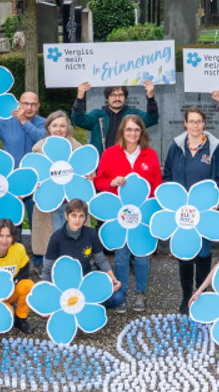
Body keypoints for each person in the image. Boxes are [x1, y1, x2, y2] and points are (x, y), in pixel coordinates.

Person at [163, 106, 219, 314]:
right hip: (182, 215)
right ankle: (185, 297)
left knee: (203, 255)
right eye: (191, 121)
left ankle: (200, 297)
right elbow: (167, 177)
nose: (195, 125)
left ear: (204, 124)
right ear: (185, 123)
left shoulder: (214, 148)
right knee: (184, 256)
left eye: (199, 121)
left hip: (204, 214)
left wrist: (217, 201)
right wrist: (171, 202)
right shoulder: (176, 147)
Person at [93, 114, 162, 314]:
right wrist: (111, 183)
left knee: (141, 257)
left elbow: (157, 185)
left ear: (142, 132)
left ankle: (141, 292)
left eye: (136, 129)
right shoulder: (110, 154)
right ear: (122, 131)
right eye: (129, 129)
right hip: (119, 217)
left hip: (142, 218)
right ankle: (121, 293)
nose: (132, 133)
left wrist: (155, 213)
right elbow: (99, 181)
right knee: (121, 257)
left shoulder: (150, 155)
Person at [42, 199, 123, 308]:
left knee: (118, 297)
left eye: (81, 216)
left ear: (85, 218)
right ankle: (81, 306)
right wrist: (48, 295)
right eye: (73, 215)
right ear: (66, 216)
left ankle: (87, 306)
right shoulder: (56, 237)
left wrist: (113, 279)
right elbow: (47, 269)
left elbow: (101, 260)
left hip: (86, 280)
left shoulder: (91, 234)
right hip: (65, 285)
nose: (77, 220)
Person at [31, 110, 81, 264]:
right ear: (48, 128)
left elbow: (87, 170)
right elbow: (32, 175)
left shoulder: (78, 149)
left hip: (72, 206)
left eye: (62, 126)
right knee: (50, 244)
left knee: (74, 244)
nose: (58, 129)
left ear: (68, 128)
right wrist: (35, 183)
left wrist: (88, 176)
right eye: (55, 125)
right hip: (49, 207)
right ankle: (50, 279)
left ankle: (74, 277)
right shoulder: (39, 149)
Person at [72, 81, 158, 155]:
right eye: (113, 95)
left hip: (127, 161)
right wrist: (80, 98)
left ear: (125, 97)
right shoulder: (97, 115)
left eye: (120, 95)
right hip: (102, 164)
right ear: (107, 98)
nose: (117, 98)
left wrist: (150, 98)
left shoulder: (133, 114)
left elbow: (151, 119)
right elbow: (79, 120)